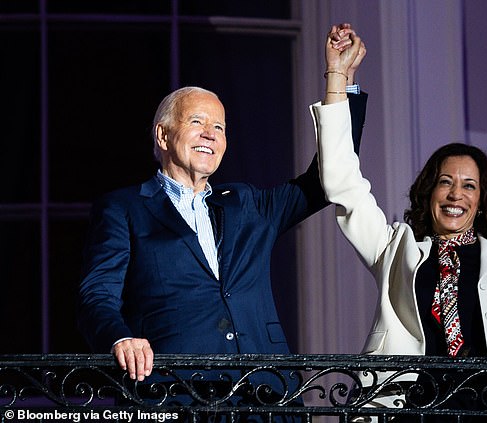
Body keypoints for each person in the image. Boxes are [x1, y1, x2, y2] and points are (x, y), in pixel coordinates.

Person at [77, 23, 367, 403]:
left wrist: (339, 80)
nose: (211, 134)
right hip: (174, 392)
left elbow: (326, 178)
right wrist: (121, 337)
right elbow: (97, 294)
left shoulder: (246, 203)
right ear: (163, 136)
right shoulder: (125, 208)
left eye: (219, 127)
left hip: (265, 392)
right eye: (196, 122)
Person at [310, 29, 487, 420]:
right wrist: (337, 78)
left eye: (469, 186)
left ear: (482, 200)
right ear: (429, 192)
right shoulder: (395, 248)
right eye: (445, 182)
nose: (455, 194)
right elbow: (342, 183)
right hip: (406, 411)